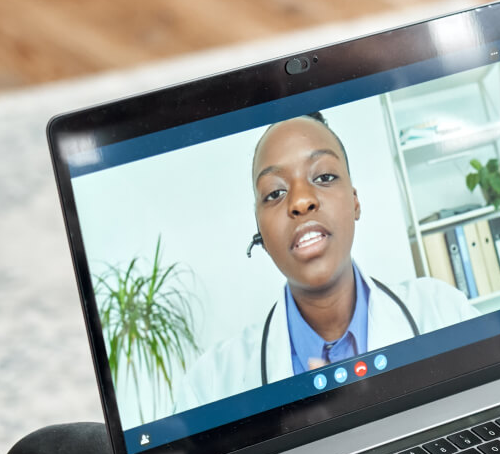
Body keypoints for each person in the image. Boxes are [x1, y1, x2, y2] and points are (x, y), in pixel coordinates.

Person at [175, 113, 479, 412]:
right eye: (275, 193)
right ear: (261, 236)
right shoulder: (210, 386)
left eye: (324, 177)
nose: (300, 202)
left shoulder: (445, 312)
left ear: (355, 201)